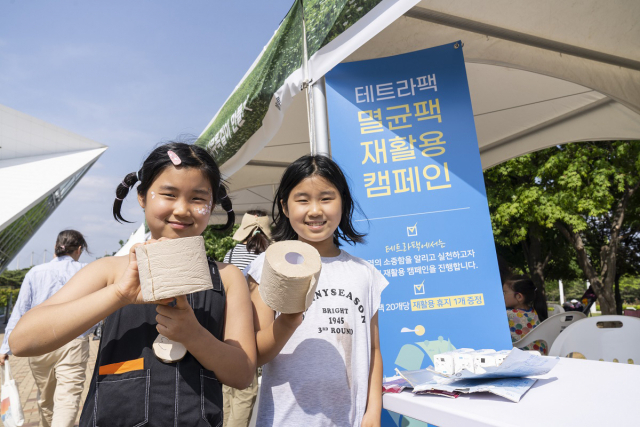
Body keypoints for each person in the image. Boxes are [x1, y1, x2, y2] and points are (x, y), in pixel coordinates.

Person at [9, 142, 256, 427]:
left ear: (212, 205)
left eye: (198, 198)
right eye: (169, 194)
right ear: (142, 197)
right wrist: (118, 294)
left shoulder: (227, 278)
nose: (182, 209)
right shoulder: (110, 271)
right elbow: (22, 341)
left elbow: (242, 373)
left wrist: (194, 336)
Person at [247, 155, 388, 427]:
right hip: (284, 419)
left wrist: (373, 412)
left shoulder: (365, 273)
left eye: (326, 198)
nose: (314, 210)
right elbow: (256, 354)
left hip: (352, 420)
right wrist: (288, 320)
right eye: (302, 200)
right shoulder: (266, 266)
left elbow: (373, 349)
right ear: (285, 207)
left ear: (343, 202)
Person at [0, 230, 92, 427]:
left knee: (45, 398)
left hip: (39, 342)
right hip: (73, 339)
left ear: (55, 249)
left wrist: (5, 348)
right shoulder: (86, 271)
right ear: (79, 249)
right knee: (68, 398)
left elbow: (21, 310)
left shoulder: (35, 272)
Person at [222, 210, 271, 427]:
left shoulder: (230, 256)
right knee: (245, 390)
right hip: (255, 329)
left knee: (226, 388)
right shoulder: (270, 258)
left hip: (226, 328)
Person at [503, 275, 549, 355]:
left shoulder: (508, 314)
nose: (501, 295)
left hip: (521, 359)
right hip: (541, 355)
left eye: (504, 292)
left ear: (519, 296)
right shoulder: (534, 311)